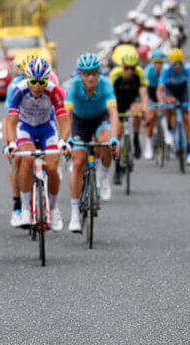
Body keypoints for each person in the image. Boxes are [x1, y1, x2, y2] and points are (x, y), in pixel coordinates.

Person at [5, 58, 69, 231]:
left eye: (42, 82)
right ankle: (25, 209)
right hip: (25, 128)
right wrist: (11, 144)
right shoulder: (19, 90)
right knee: (27, 160)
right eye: (33, 81)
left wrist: (63, 141)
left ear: (47, 80)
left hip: (47, 129)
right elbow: (11, 121)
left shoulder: (53, 91)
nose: (37, 86)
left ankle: (54, 209)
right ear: (27, 78)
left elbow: (64, 120)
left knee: (51, 167)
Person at [63, 53, 121, 232]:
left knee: (104, 142)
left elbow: (113, 113)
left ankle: (103, 178)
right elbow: (66, 116)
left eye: (94, 73)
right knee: (78, 161)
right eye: (86, 73)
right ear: (80, 74)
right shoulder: (72, 86)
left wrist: (115, 138)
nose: (90, 77)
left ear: (99, 73)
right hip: (79, 122)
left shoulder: (106, 84)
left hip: (99, 119)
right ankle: (74, 214)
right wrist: (67, 139)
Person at [108, 51, 148, 175]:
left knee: (137, 111)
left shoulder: (139, 73)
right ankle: (117, 167)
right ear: (122, 67)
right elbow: (108, 95)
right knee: (118, 133)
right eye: (127, 68)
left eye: (133, 68)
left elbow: (144, 95)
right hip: (118, 101)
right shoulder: (115, 75)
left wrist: (144, 111)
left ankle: (135, 138)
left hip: (132, 99)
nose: (130, 71)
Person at [156, 47, 190, 164]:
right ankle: (169, 129)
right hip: (170, 90)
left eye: (179, 63)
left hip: (182, 90)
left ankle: (189, 152)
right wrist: (161, 102)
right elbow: (159, 90)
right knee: (169, 104)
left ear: (182, 62)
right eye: (174, 64)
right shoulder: (166, 69)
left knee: (185, 118)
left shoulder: (187, 68)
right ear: (170, 63)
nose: (177, 66)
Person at [144, 49, 169, 159]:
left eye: (160, 62)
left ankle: (169, 135)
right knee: (151, 117)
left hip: (163, 92)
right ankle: (148, 144)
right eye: (156, 62)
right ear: (152, 62)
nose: (158, 65)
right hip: (151, 93)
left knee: (168, 112)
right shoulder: (148, 70)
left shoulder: (166, 69)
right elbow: (145, 89)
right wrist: (146, 103)